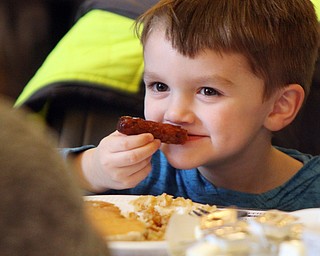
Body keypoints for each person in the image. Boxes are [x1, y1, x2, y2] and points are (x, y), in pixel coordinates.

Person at [63, 0, 320, 211]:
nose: (175, 113)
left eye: (208, 91)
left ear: (279, 106)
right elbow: (32, 183)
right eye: (159, 87)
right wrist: (91, 170)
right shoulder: (138, 171)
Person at [0, 97, 109, 256]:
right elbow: (43, 169)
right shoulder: (133, 161)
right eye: (158, 87)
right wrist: (89, 169)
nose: (160, 113)